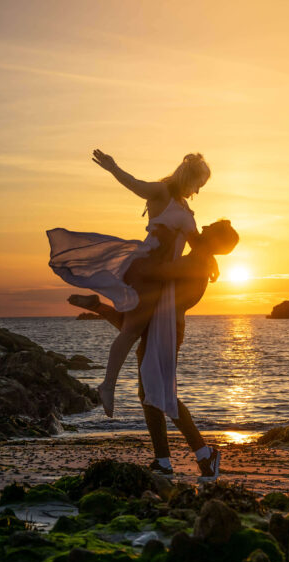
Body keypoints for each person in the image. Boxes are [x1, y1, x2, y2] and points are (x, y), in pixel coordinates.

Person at [47, 150, 211, 421]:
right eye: (199, 183)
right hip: (147, 269)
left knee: (138, 327)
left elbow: (197, 245)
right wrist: (113, 168)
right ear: (190, 177)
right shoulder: (162, 193)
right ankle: (108, 385)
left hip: (163, 278)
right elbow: (135, 184)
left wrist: (211, 260)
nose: (199, 190)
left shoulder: (183, 205)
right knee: (133, 329)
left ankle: (98, 312)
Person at [70, 219, 240, 478]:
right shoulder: (197, 258)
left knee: (158, 393)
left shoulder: (196, 262)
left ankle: (203, 455)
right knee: (149, 391)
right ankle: (166, 460)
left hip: (168, 329)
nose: (203, 228)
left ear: (216, 240)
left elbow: (156, 273)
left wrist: (140, 254)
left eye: (210, 228)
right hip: (159, 322)